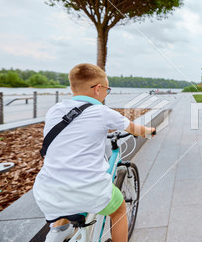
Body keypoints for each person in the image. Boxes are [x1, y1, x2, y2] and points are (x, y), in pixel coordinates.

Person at [33, 63, 155, 242]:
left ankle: (57, 235)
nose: (107, 92)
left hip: (46, 190)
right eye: (107, 89)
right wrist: (150, 130)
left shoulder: (54, 111)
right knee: (119, 209)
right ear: (98, 89)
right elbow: (135, 128)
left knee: (63, 203)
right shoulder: (102, 112)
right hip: (88, 190)